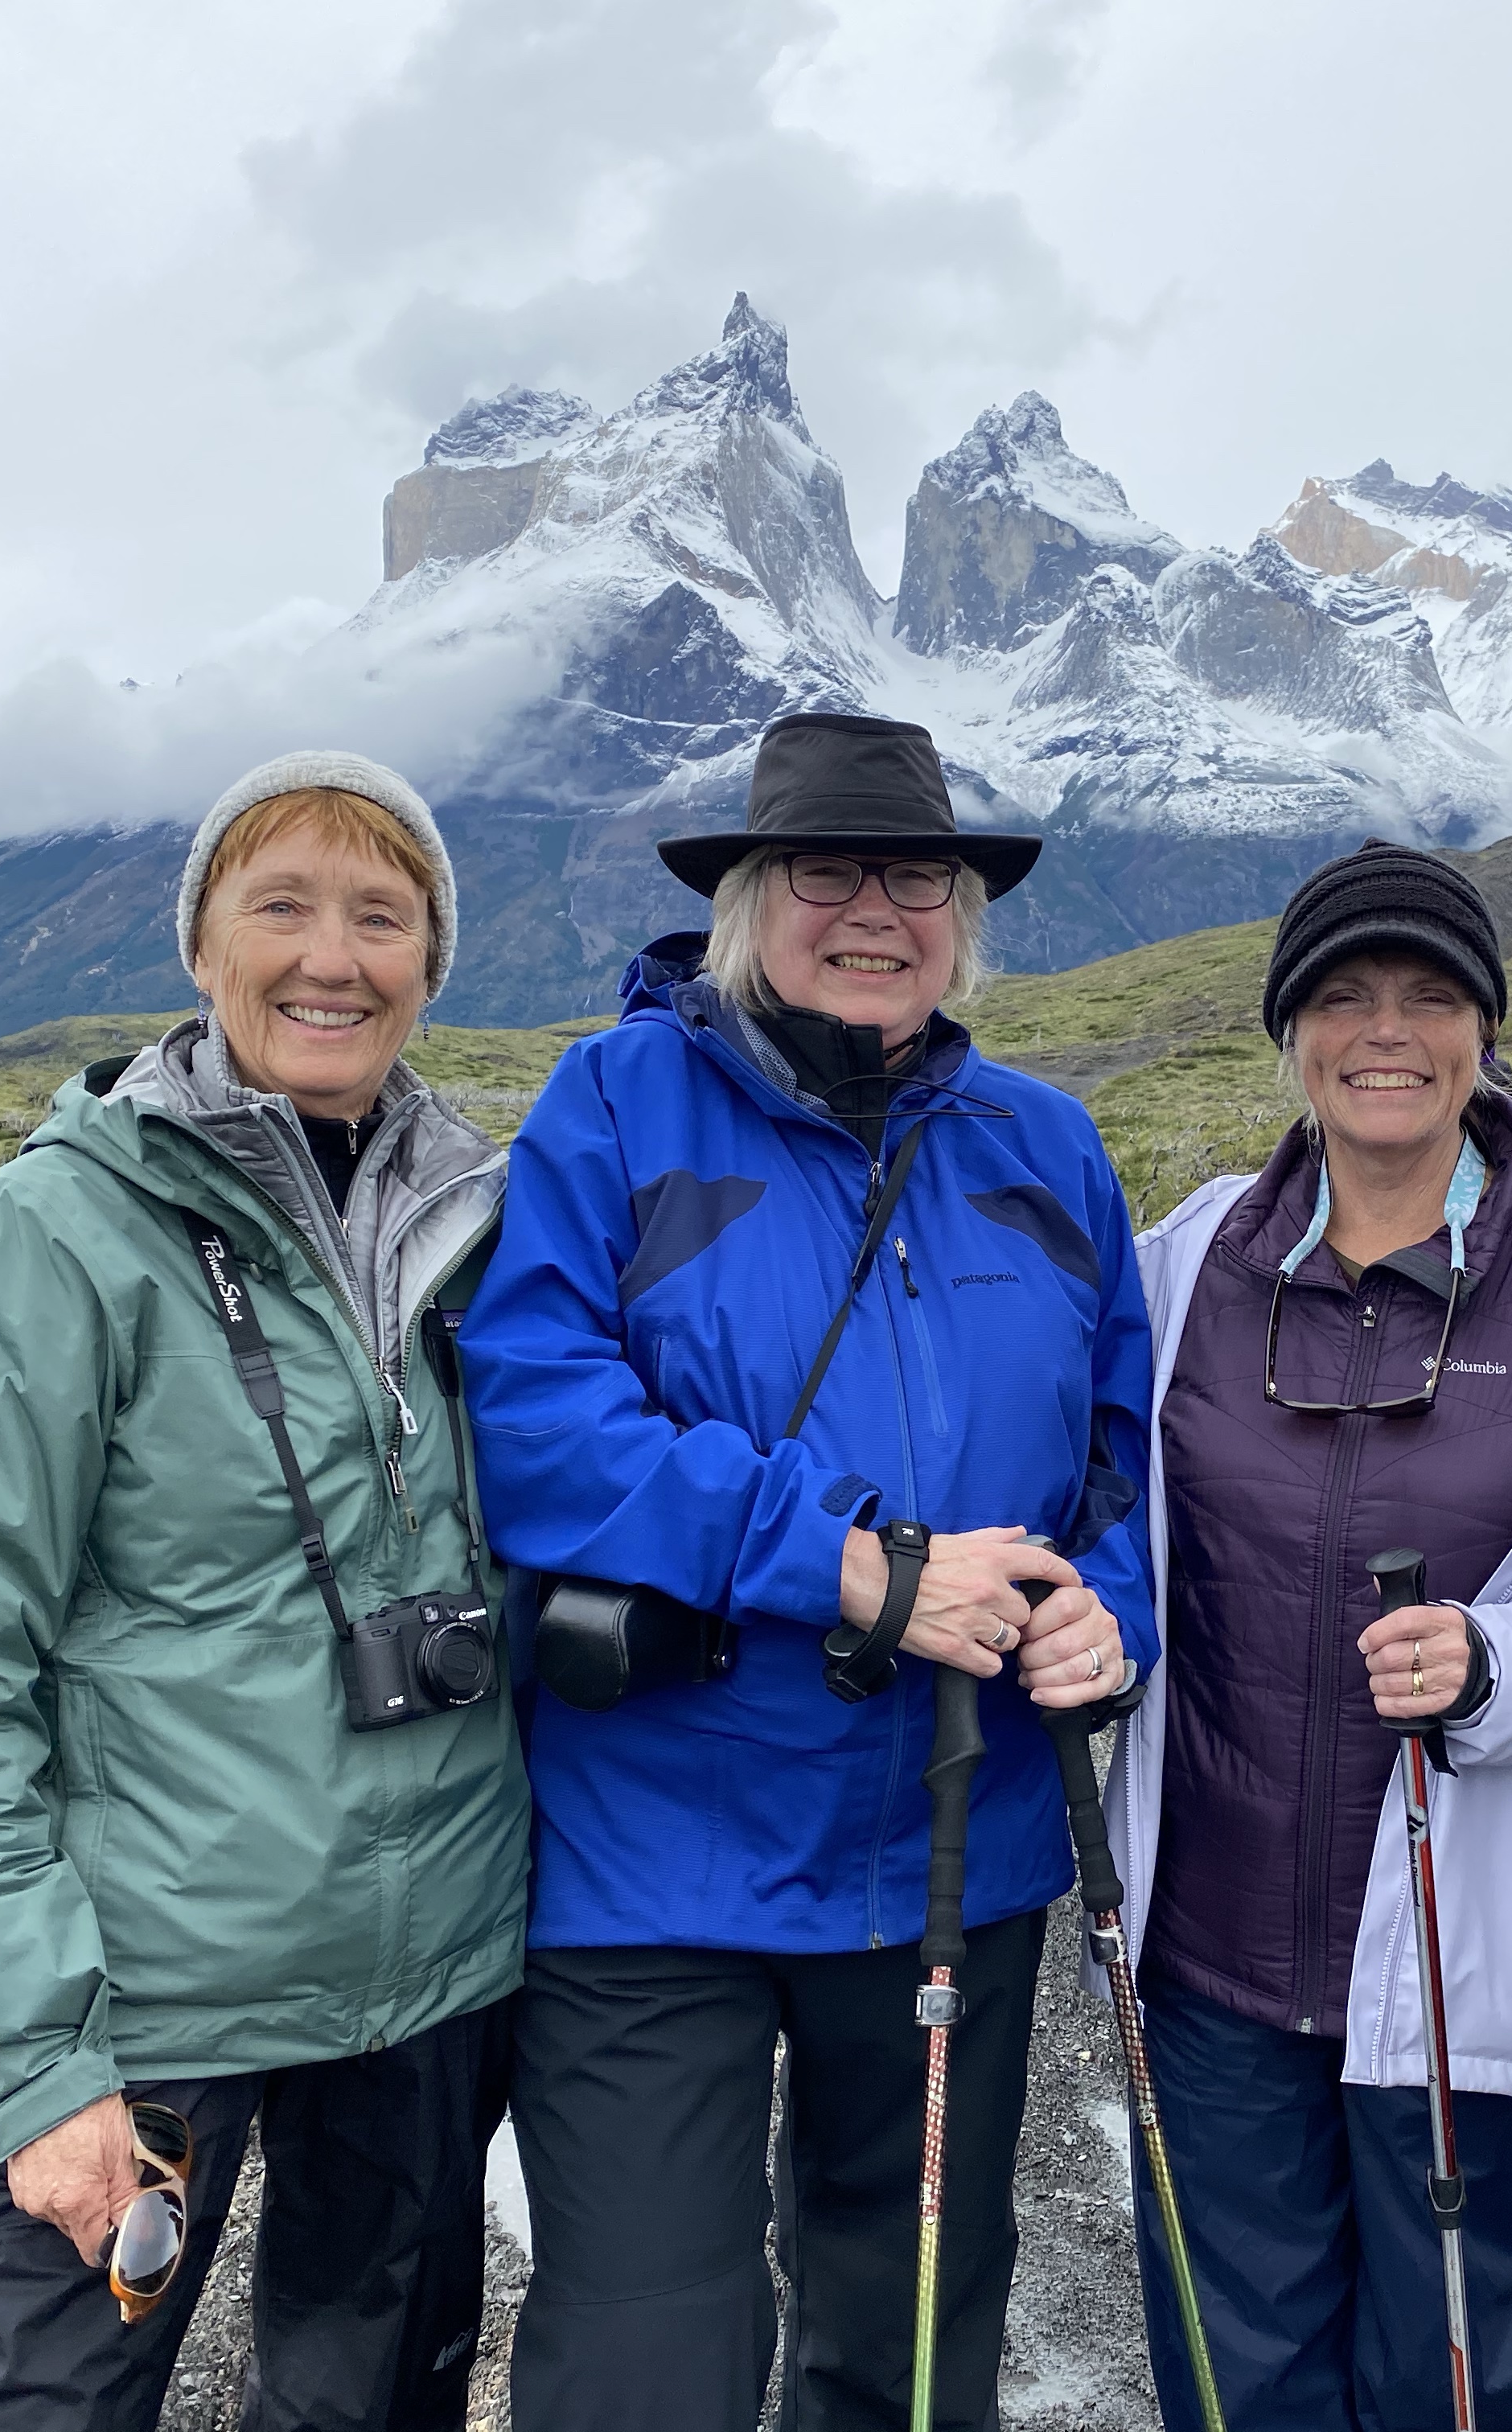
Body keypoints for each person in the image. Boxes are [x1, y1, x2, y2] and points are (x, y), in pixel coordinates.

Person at [457, 712, 1156, 2431]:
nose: (873, 911)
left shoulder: (1047, 1144)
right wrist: (843, 1561)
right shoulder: (612, 1105)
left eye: (914, 877)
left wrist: (1112, 1615)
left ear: (961, 916)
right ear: (750, 901)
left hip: (954, 1845)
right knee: (646, 2351)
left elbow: (1124, 1462)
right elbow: (535, 1421)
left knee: (910, 2328)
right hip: (654, 1855)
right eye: (826, 871)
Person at [0, 753, 528, 2430]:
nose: (330, 957)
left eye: (381, 916)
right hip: (134, 2003)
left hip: (426, 1985)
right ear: (201, 946)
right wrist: (34, 2055)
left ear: (432, 962)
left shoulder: (485, 1221)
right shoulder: (45, 1238)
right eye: (279, 905)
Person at [1103, 840, 1512, 2431]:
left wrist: (1503, 1666)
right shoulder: (1183, 1264)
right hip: (1211, 1964)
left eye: (1431, 995)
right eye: (1343, 995)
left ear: (1485, 1028)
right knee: (1236, 2391)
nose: (1387, 1031)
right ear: (1290, 1032)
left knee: (1444, 2385)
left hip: (1465, 1974)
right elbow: (1098, 1530)